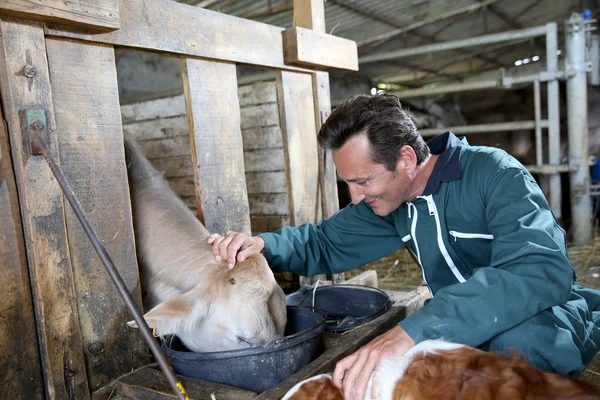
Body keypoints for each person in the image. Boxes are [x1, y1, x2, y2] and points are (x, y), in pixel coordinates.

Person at [208, 94, 600, 400]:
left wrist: (414, 331)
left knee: (519, 347)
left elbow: (537, 271)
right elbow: (322, 242)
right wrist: (259, 244)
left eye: (363, 181)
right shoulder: (392, 204)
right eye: (348, 183)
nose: (355, 196)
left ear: (407, 159)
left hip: (538, 314)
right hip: (453, 325)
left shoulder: (493, 174)